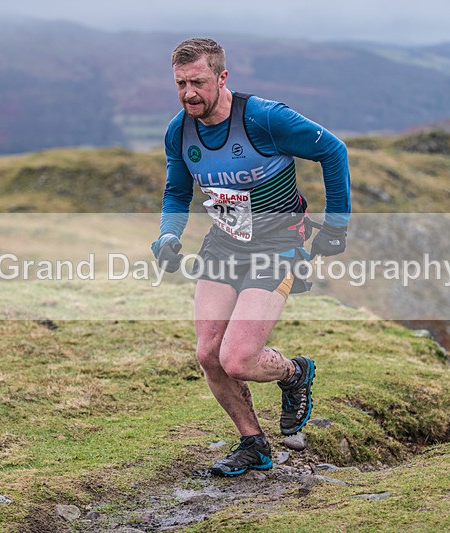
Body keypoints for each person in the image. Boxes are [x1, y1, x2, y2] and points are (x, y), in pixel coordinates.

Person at [151, 38, 351, 476]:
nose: (188, 94)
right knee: (209, 355)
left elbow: (333, 150)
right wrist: (168, 234)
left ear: (222, 77)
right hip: (224, 244)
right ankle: (253, 444)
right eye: (181, 84)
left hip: (278, 244)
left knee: (238, 358)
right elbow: (177, 190)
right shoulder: (179, 131)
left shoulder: (263, 118)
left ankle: (295, 373)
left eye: (198, 82)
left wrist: (337, 225)